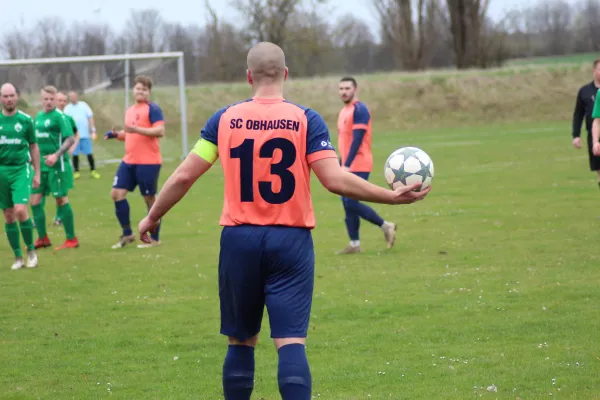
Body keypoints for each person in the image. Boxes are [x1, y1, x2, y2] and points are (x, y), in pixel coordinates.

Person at [138, 42, 431, 400]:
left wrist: (153, 216)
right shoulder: (306, 119)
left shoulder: (224, 119)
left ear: (249, 77)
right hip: (291, 244)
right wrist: (392, 196)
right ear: (286, 74)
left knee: (241, 341)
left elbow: (184, 176)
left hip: (239, 240)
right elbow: (334, 179)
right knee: (290, 341)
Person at [336, 76, 396, 254]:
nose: (344, 92)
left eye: (347, 88)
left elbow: (357, 139)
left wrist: (346, 164)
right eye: (341, 89)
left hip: (359, 163)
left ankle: (386, 225)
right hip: (347, 164)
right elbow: (344, 141)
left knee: (350, 203)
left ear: (355, 89)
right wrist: (341, 161)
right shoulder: (344, 111)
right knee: (347, 203)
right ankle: (355, 244)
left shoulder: (360, 110)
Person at [104, 75, 165, 249]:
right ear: (133, 90)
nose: (140, 91)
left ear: (149, 92)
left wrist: (136, 129)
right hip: (129, 161)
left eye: (144, 89)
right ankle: (127, 234)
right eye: (138, 88)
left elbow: (160, 131)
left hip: (149, 162)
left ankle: (154, 238)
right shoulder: (130, 110)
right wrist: (117, 135)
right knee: (116, 194)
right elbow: (130, 133)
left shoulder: (153, 109)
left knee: (149, 198)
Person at [31, 85, 79, 250]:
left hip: (57, 166)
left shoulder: (60, 117)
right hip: (40, 167)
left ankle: (71, 239)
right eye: (46, 99)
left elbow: (70, 138)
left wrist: (56, 155)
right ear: (41, 99)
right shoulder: (37, 117)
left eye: (52, 99)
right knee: (35, 200)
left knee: (61, 199)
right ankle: (43, 238)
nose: (49, 102)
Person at [0, 83, 40, 269]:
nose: (8, 99)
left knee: (21, 210)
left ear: (17, 96)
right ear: (1, 98)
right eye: (5, 96)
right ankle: (18, 258)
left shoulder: (25, 120)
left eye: (11, 95)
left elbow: (33, 146)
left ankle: (31, 251)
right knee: (8, 215)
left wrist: (37, 172)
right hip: (1, 172)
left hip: (20, 170)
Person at [48, 91, 79, 226]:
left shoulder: (67, 118)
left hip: (61, 159)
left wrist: (72, 148)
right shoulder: (47, 117)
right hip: (47, 158)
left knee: (61, 189)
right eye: (59, 100)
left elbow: (75, 134)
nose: (61, 103)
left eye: (63, 101)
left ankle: (59, 216)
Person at [573, 59, 600, 186]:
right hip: (594, 135)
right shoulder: (585, 91)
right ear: (594, 71)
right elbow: (579, 114)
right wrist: (576, 135)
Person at [64, 91, 99, 179]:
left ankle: (93, 171)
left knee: (89, 153)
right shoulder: (67, 108)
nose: (73, 98)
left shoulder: (84, 105)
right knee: (75, 154)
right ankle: (76, 172)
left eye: (74, 96)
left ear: (77, 96)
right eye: (71, 97)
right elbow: (65, 121)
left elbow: (90, 117)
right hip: (74, 137)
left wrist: (93, 130)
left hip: (85, 135)